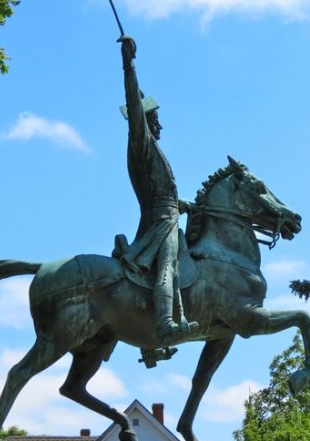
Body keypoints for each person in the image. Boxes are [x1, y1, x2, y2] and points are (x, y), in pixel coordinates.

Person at [118, 35, 198, 345]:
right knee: (169, 265)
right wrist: (129, 65)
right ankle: (165, 322)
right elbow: (134, 106)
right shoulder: (141, 142)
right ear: (146, 122)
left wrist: (187, 204)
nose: (160, 126)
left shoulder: (151, 149)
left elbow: (162, 192)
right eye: (156, 120)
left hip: (168, 213)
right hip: (159, 222)